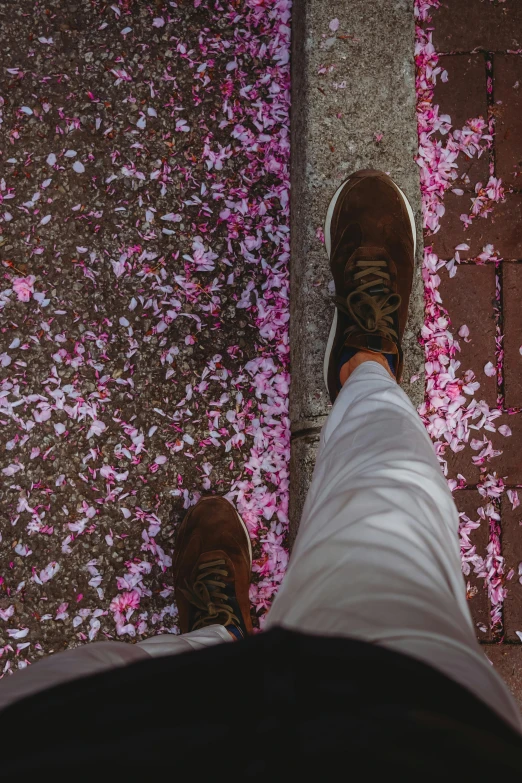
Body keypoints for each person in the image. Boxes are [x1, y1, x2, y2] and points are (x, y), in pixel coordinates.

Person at [1, 170, 522, 776]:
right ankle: (367, 364)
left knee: (113, 680)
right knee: (391, 512)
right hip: (418, 738)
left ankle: (219, 636)